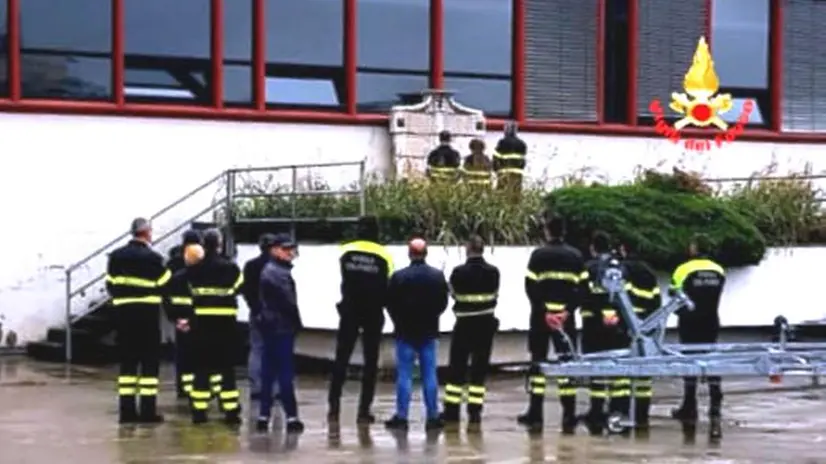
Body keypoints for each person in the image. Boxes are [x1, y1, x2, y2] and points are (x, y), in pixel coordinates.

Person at [520, 213, 586, 434]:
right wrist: (567, 311)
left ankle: (535, 414)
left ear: (548, 231)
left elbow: (530, 287)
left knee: (538, 362)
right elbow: (583, 289)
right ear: (564, 231)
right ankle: (569, 414)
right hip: (566, 320)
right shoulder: (576, 256)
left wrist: (545, 312)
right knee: (567, 364)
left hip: (541, 319)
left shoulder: (538, 256)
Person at [328, 216, 393, 425]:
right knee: (370, 363)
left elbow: (343, 278)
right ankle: (363, 411)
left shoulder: (346, 251)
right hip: (373, 313)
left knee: (341, 358)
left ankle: (334, 405)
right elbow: (388, 285)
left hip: (349, 310)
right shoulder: (384, 255)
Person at [106, 217, 171, 424]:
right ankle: (147, 412)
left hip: (124, 317)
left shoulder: (116, 257)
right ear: (146, 233)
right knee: (149, 366)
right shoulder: (154, 259)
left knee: (127, 366)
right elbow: (165, 284)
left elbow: (110, 284)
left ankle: (126, 412)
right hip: (147, 319)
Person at [384, 238, 449, 432]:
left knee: (404, 375)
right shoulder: (437, 276)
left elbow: (390, 303)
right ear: (426, 253)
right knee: (430, 374)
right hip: (428, 331)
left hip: (405, 331)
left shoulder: (398, 277)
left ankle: (402, 417)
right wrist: (432, 317)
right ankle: (432, 416)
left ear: (409, 253)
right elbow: (443, 303)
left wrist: (398, 320)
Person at [669, 233, 726, 440]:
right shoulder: (718, 270)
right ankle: (715, 405)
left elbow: (675, 294)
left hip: (690, 321)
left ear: (694, 248)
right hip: (711, 320)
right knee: (711, 360)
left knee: (690, 362)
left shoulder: (683, 269)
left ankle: (689, 406)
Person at [187, 229, 244, 425]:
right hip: (226, 326)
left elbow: (185, 288)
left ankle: (199, 412)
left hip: (201, 325)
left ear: (203, 244)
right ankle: (230, 413)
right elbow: (239, 288)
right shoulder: (231, 268)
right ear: (219, 244)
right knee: (226, 370)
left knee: (201, 369)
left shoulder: (195, 269)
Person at [441, 236, 500, 425]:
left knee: (456, 369)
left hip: (464, 325)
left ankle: (452, 412)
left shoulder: (459, 272)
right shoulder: (493, 272)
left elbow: (454, 294)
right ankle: (475, 412)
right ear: (482, 249)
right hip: (486, 326)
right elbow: (494, 295)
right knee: (479, 369)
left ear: (468, 249)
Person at [578, 231, 629, 435]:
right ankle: (619, 408)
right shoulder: (621, 268)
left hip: (593, 326)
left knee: (596, 367)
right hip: (618, 326)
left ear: (593, 247)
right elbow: (628, 295)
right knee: (620, 368)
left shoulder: (589, 268)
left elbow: (582, 294)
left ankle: (597, 410)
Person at [256, 233, 305, 433]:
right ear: (275, 250)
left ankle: (263, 415)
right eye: (286, 250)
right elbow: (288, 303)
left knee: (268, 373)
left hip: (269, 326)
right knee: (284, 374)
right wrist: (297, 323)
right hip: (281, 328)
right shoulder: (278, 273)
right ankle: (292, 417)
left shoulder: (270, 270)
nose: (291, 253)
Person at [618, 240, 661, 430]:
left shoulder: (623, 269)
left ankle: (623, 412)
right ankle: (642, 415)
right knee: (644, 373)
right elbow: (657, 301)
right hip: (647, 326)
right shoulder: (649, 272)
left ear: (623, 249)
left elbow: (620, 298)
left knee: (624, 370)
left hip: (627, 325)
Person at [164, 242, 205, 402]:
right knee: (199, 356)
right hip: (199, 320)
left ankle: (184, 389)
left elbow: (168, 298)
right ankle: (200, 388)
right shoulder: (204, 275)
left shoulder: (175, 275)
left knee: (183, 356)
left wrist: (176, 319)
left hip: (182, 321)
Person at [242, 233, 280, 402]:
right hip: (276, 314)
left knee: (257, 349)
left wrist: (255, 308)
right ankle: (275, 389)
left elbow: (246, 290)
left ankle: (257, 388)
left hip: (256, 312)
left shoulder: (250, 265)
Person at [493, 122, 527, 195]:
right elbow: (523, 162)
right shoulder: (522, 144)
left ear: (506, 130)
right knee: (516, 192)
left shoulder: (502, 142)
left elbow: (496, 159)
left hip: (504, 173)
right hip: (517, 174)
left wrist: (497, 171)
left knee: (502, 193)